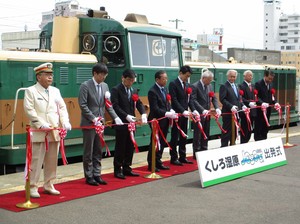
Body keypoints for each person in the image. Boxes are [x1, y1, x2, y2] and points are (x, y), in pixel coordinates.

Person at [24, 62, 71, 198]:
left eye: (51, 75)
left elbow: (62, 107)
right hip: (39, 131)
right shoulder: (31, 91)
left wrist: (65, 121)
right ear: (38, 77)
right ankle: (32, 186)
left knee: (51, 160)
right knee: (36, 160)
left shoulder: (55, 91)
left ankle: (49, 184)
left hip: (54, 130)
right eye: (47, 74)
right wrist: (40, 124)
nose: (50, 77)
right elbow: (29, 110)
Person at [78, 63, 123, 186]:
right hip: (89, 123)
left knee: (98, 149)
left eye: (105, 75)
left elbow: (107, 104)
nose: (103, 77)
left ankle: (97, 174)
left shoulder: (105, 86)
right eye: (101, 74)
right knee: (89, 150)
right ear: (95, 73)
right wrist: (93, 118)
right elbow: (83, 105)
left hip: (101, 123)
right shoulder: (85, 86)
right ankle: (89, 175)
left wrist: (115, 117)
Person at [111, 69, 147, 179]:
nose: (131, 82)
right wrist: (125, 115)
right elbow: (115, 106)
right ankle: (118, 169)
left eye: (132, 80)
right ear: (123, 78)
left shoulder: (134, 90)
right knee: (120, 147)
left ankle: (127, 167)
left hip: (132, 123)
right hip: (121, 122)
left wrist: (143, 113)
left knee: (130, 146)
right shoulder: (116, 90)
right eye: (129, 80)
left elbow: (139, 103)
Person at [147, 70, 178, 172]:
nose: (166, 80)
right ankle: (152, 163)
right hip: (156, 120)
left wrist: (170, 110)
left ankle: (158, 161)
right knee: (155, 141)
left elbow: (167, 103)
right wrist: (166, 113)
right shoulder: (152, 91)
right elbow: (155, 108)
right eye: (164, 78)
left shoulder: (165, 89)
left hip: (165, 120)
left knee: (162, 140)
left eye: (166, 78)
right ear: (157, 79)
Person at [168, 65, 195, 165]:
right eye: (186, 76)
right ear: (180, 73)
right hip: (177, 114)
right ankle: (174, 157)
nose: (187, 78)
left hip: (185, 114)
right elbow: (174, 100)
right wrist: (182, 111)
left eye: (188, 76)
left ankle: (182, 156)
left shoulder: (187, 85)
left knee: (184, 135)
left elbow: (190, 100)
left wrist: (193, 110)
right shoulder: (173, 84)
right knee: (175, 136)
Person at [192, 68, 221, 157]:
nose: (210, 82)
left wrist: (217, 108)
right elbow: (194, 100)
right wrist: (202, 110)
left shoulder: (209, 86)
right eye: (209, 80)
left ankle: (204, 149)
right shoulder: (195, 86)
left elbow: (214, 98)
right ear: (204, 78)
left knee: (206, 132)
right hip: (199, 114)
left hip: (207, 114)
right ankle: (196, 152)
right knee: (198, 133)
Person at [219, 69, 247, 147]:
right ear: (227, 76)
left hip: (236, 113)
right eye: (231, 77)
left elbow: (238, 99)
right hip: (228, 114)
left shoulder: (237, 86)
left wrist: (243, 105)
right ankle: (224, 147)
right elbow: (222, 99)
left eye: (234, 77)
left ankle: (232, 145)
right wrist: (231, 106)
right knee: (227, 131)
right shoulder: (224, 86)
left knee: (234, 131)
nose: (232, 78)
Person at [254, 69, 280, 141]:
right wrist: (262, 103)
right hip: (260, 110)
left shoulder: (270, 84)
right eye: (269, 78)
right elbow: (256, 97)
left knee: (266, 126)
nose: (270, 80)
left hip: (268, 109)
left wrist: (275, 102)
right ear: (265, 76)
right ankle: (258, 141)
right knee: (259, 126)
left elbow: (272, 96)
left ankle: (264, 139)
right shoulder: (258, 84)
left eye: (272, 79)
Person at [239, 70, 257, 144]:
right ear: (244, 76)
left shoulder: (253, 86)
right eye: (249, 75)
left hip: (252, 111)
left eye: (251, 76)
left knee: (250, 129)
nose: (251, 77)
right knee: (245, 128)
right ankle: (243, 142)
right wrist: (249, 103)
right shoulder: (241, 86)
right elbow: (240, 98)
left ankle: (247, 140)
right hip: (245, 111)